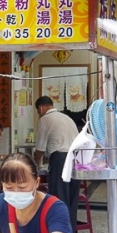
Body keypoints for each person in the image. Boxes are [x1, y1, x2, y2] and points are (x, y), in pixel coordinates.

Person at [33, 96, 80, 224]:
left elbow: (40, 148)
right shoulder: (66, 118)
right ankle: (71, 226)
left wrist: (35, 163)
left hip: (61, 159)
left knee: (59, 194)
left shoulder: (45, 119)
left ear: (41, 108)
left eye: (38, 111)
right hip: (77, 158)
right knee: (72, 194)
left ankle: (59, 226)